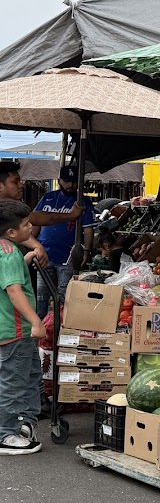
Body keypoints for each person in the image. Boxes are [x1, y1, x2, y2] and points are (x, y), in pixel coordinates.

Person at [0, 200, 46, 455]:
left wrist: (25, 260)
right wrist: (36, 321)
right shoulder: (8, 254)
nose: (31, 228)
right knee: (13, 383)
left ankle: (21, 423)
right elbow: (14, 291)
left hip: (15, 330)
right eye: (26, 225)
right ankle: (5, 434)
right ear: (11, 232)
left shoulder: (8, 250)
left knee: (28, 377)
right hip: (16, 330)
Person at [31, 166, 95, 318]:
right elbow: (36, 222)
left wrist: (86, 250)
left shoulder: (82, 202)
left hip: (67, 256)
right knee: (42, 293)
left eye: (73, 182)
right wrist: (30, 243)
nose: (70, 185)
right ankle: (40, 323)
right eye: (66, 181)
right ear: (59, 180)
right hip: (44, 253)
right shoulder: (48, 197)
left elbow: (88, 230)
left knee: (64, 294)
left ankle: (59, 327)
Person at [0, 161, 85, 268]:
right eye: (15, 182)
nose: (21, 185)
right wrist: (37, 246)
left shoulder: (11, 209)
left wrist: (37, 246)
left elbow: (39, 217)